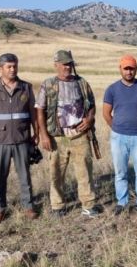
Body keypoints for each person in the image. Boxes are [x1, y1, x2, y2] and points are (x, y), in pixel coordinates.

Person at [36, 50, 99, 219]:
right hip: (57, 136)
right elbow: (40, 110)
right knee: (56, 173)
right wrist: (44, 135)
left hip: (80, 135)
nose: (67, 67)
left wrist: (89, 119)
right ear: (56, 65)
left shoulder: (82, 83)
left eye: (70, 64)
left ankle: (88, 205)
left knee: (85, 172)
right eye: (64, 64)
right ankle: (57, 206)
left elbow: (92, 105)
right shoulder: (48, 84)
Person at [0, 53, 39, 222]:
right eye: (9, 67)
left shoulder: (26, 87)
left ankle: (28, 206)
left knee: (25, 175)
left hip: (22, 138)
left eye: (15, 66)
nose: (13, 69)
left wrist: (36, 133)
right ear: (1, 68)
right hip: (1, 140)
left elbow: (33, 112)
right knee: (0, 176)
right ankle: (0, 208)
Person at [102, 55, 137, 215]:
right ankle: (122, 202)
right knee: (120, 172)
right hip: (118, 137)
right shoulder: (112, 89)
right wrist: (117, 127)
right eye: (126, 68)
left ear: (136, 69)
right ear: (120, 69)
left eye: (131, 68)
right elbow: (106, 114)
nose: (129, 72)